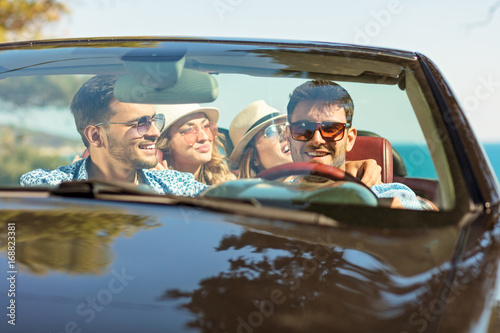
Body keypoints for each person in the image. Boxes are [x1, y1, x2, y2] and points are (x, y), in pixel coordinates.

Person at [20, 75, 208, 197]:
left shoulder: (176, 188)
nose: (155, 132)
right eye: (140, 123)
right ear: (95, 136)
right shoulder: (46, 189)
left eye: (153, 120)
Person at [286, 80, 433, 210]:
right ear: (288, 136)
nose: (317, 140)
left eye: (331, 129)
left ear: (350, 139)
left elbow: (431, 217)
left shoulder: (383, 198)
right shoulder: (269, 195)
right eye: (303, 129)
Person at [229, 100, 382, 187]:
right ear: (253, 156)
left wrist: (344, 168)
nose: (284, 136)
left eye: (287, 128)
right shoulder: (237, 195)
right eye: (272, 131)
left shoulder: (351, 178)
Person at [154, 104, 236, 185]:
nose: (204, 137)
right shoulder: (152, 186)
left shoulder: (226, 185)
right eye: (189, 130)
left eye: (206, 126)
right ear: (165, 142)